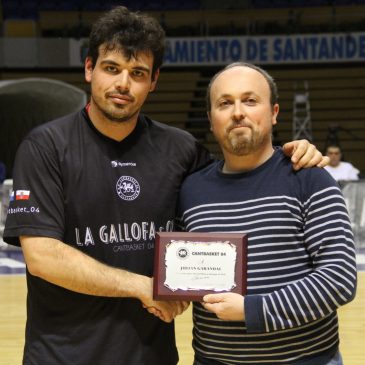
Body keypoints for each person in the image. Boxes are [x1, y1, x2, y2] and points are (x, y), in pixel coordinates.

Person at [3, 7, 328, 365]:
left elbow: (239, 177)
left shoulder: (181, 149)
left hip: (151, 356)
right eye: (112, 68)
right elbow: (42, 256)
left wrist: (286, 155)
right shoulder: (46, 146)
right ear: (89, 69)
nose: (123, 84)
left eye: (137, 73)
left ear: (154, 80)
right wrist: (142, 286)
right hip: (63, 356)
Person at [177, 62, 357, 365]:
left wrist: (253, 310)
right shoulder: (190, 190)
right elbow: (178, 273)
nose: (237, 112)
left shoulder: (308, 177)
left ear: (274, 113)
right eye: (225, 103)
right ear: (210, 119)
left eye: (250, 100)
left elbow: (338, 276)